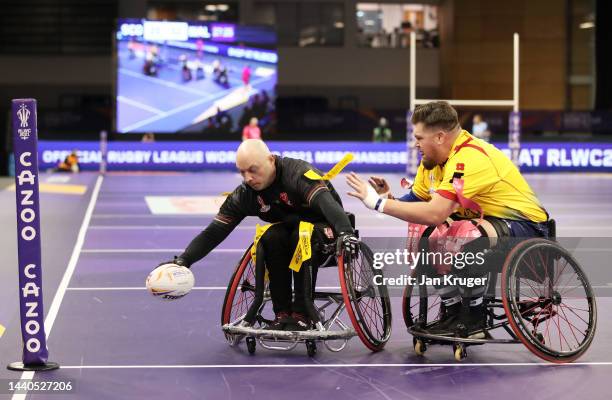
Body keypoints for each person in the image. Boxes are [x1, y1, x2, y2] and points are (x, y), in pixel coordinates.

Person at [346, 101, 549, 335]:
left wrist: (379, 204)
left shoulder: (469, 158)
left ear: (440, 137)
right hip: (484, 223)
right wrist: (390, 197)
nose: (415, 144)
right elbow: (419, 202)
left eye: (419, 138)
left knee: (462, 234)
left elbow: (435, 213)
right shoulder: (431, 163)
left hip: (526, 225)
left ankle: (474, 317)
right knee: (425, 238)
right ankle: (453, 311)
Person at [161, 140, 358, 331]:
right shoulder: (246, 194)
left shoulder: (297, 173)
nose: (247, 178)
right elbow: (215, 232)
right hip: (289, 232)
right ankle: (282, 313)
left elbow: (328, 204)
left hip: (328, 230)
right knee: (269, 237)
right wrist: (184, 260)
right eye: (242, 171)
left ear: (271, 160)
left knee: (301, 235)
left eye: (253, 170)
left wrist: (347, 234)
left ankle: (301, 313)